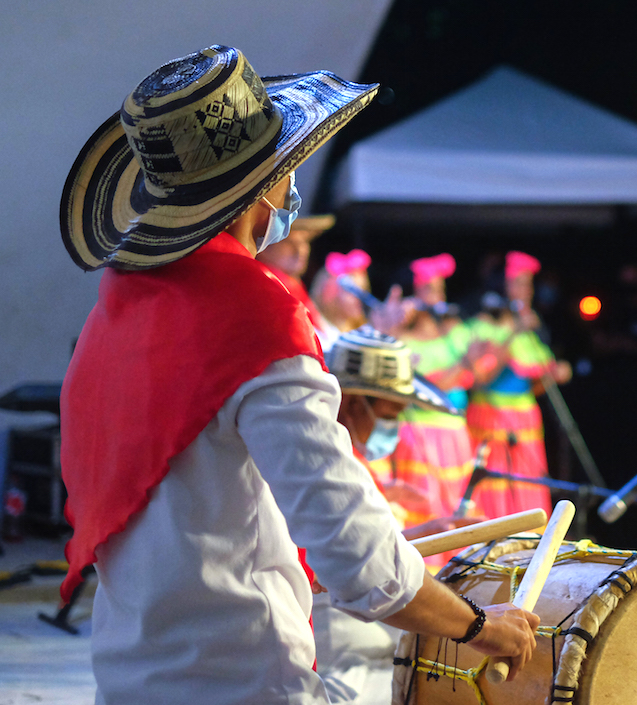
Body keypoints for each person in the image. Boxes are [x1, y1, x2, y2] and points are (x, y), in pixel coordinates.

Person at [56, 45, 538, 705]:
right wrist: (480, 624)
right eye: (290, 172)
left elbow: (213, 521)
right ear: (264, 190)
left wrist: (392, 542)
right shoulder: (254, 311)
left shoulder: (108, 324)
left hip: (128, 682)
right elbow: (357, 556)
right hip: (246, 686)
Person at [314, 325, 479, 702]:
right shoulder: (329, 464)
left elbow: (362, 546)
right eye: (391, 412)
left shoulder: (349, 457)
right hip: (340, 651)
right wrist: (478, 628)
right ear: (354, 403)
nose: (396, 426)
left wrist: (435, 529)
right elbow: (351, 559)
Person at [465, 251, 572, 519]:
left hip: (525, 419)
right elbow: (481, 378)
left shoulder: (531, 330)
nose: (524, 291)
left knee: (526, 486)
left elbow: (533, 386)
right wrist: (514, 331)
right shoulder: (482, 326)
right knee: (495, 488)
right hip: (490, 418)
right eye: (517, 283)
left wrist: (553, 374)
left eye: (528, 284)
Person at [389, 254, 477, 553]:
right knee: (426, 504)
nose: (436, 297)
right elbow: (428, 389)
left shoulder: (456, 335)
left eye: (439, 290)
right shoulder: (405, 339)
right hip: (420, 435)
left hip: (455, 432)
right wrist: (463, 365)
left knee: (456, 504)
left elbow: (475, 374)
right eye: (428, 289)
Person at [257, 210, 333, 330]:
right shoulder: (271, 287)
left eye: (304, 242)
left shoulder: (293, 284)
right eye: (289, 243)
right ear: (265, 247)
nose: (300, 251)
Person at [310, 247, 372, 350]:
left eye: (363, 290)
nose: (359, 298)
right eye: (352, 291)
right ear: (330, 291)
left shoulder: (364, 332)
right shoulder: (314, 332)